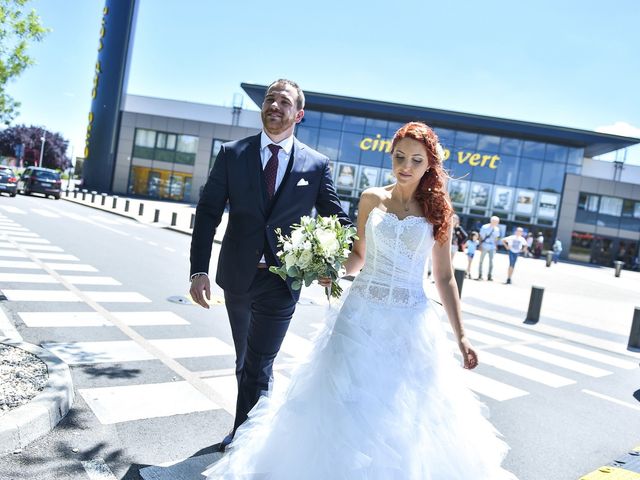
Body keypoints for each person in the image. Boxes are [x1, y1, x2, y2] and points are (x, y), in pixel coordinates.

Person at [202, 122, 516, 479]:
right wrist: (330, 269)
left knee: (402, 414)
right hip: (360, 314)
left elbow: (444, 279)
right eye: (400, 157)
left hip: (408, 324)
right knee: (343, 405)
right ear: (391, 156)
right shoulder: (371, 198)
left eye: (416, 159)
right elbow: (359, 257)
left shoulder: (439, 211)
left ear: (430, 163)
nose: (406, 166)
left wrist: (462, 335)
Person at [189, 79, 352, 451]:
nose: (275, 105)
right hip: (238, 278)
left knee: (260, 363)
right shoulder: (233, 154)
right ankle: (256, 422)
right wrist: (198, 269)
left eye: (284, 101)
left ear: (299, 114)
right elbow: (209, 211)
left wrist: (334, 261)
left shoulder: (316, 164)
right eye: (270, 99)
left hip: (283, 282)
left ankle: (245, 442)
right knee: (245, 359)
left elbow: (338, 221)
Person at [476, 215, 501, 281]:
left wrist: (496, 246)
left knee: (491, 262)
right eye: (495, 221)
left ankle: (489, 276)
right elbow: (481, 237)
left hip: (492, 246)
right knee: (481, 261)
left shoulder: (497, 229)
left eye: (497, 222)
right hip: (484, 245)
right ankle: (480, 275)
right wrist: (480, 245)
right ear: (491, 221)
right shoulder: (485, 227)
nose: (496, 223)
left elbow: (496, 238)